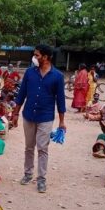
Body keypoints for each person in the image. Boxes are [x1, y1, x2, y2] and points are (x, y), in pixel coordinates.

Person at [12, 44, 66, 193]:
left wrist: (62, 122)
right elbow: (21, 94)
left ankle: (41, 179)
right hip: (28, 115)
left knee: (43, 148)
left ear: (46, 57)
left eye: (37, 55)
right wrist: (15, 114)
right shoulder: (29, 73)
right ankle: (28, 174)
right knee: (29, 147)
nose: (34, 58)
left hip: (46, 117)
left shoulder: (57, 76)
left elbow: (60, 100)